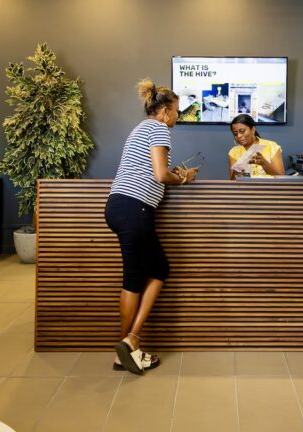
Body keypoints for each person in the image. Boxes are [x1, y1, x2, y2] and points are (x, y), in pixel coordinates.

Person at [105, 78, 198, 375]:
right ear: (165, 110)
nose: (177, 118)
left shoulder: (140, 129)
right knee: (134, 278)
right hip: (135, 209)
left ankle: (130, 340)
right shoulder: (158, 128)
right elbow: (159, 175)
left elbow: (150, 169)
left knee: (158, 269)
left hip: (119, 206)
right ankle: (127, 347)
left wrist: (174, 172)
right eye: (177, 112)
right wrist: (182, 178)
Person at [227, 114, 284, 178]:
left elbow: (281, 176)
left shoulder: (272, 146)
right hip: (246, 187)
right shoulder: (233, 152)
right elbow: (233, 181)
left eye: (242, 131)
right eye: (235, 133)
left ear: (253, 129)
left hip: (270, 187)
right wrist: (240, 166)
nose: (239, 136)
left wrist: (264, 163)